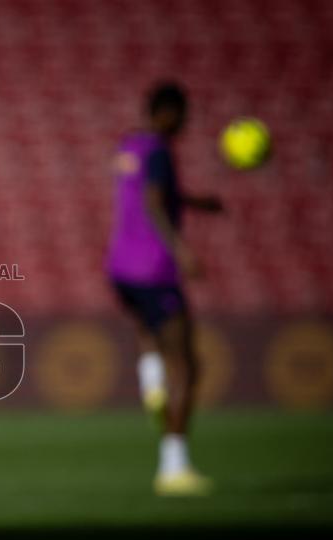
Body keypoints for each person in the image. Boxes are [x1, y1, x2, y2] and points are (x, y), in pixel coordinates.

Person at [106, 82, 224, 497]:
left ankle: (150, 382)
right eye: (182, 112)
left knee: (147, 331)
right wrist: (182, 250)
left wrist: (193, 202)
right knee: (188, 366)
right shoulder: (159, 148)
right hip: (155, 268)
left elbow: (147, 193)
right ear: (167, 112)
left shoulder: (130, 147)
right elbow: (155, 199)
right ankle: (174, 467)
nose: (186, 121)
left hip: (120, 265)